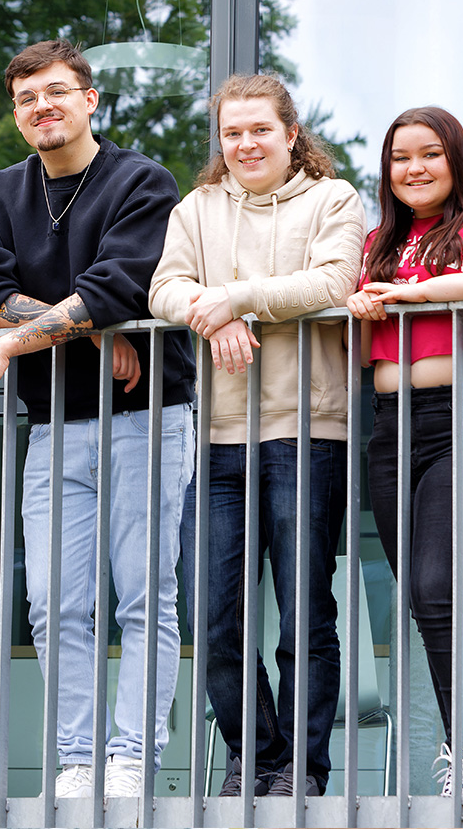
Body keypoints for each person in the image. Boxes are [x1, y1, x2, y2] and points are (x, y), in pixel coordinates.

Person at [0, 40, 196, 801]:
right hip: (53, 425)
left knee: (140, 595)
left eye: (56, 92)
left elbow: (122, 281)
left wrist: (5, 353)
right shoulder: (1, 191)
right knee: (52, 601)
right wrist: (91, 326)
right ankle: (74, 759)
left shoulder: (140, 181)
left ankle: (129, 757)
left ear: (90, 99)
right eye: (27, 99)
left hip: (145, 419)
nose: (41, 108)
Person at [149, 74, 367, 798]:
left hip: (308, 432)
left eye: (258, 130)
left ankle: (302, 769)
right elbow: (163, 289)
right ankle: (257, 755)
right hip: (213, 441)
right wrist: (211, 313)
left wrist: (232, 297)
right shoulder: (197, 209)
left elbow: (334, 282)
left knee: (303, 614)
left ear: (290, 134)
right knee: (214, 621)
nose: (244, 143)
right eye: (231, 133)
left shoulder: (331, 200)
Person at [346, 105, 463, 798]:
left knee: (438, 587)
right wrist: (362, 307)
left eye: (429, 153)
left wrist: (409, 293)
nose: (414, 168)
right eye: (400, 158)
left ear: (455, 158)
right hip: (393, 427)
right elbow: (350, 327)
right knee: (425, 601)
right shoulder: (373, 241)